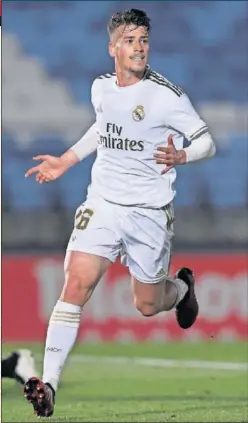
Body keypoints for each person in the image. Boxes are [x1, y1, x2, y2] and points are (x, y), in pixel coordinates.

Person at [23, 9, 216, 417]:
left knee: (147, 305)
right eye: (130, 40)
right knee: (75, 284)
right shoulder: (101, 88)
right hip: (104, 204)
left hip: (148, 212)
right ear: (113, 47)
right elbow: (102, 126)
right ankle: (50, 385)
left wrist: (182, 154)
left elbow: (207, 142)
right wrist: (66, 161)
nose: (139, 47)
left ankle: (181, 288)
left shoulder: (167, 96)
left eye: (144, 39)